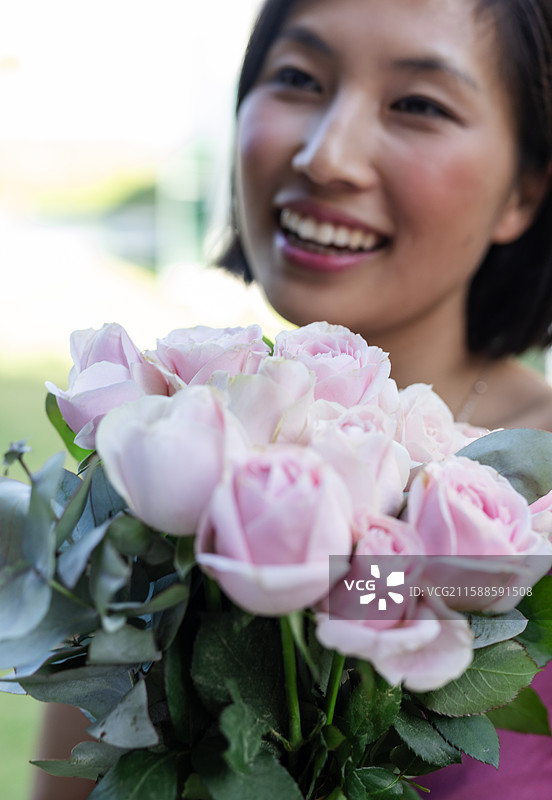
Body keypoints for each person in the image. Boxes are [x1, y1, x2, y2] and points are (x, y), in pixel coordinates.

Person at [32, 0, 552, 797]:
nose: (325, 154)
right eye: (298, 78)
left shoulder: (533, 499)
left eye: (418, 104)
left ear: (525, 187)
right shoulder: (177, 431)